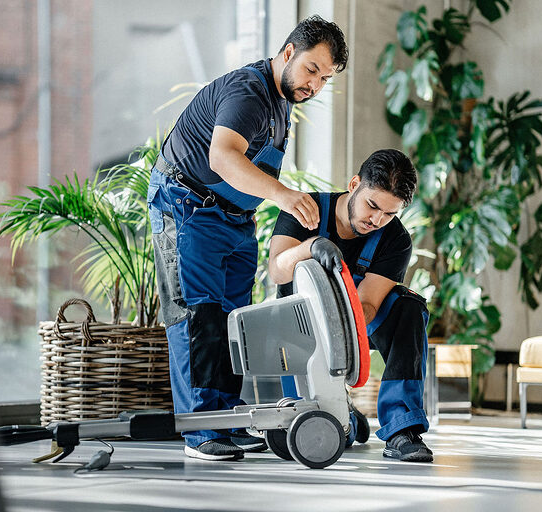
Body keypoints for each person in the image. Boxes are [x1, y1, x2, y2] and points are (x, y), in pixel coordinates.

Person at [147, 15, 349, 461]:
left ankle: (224, 419)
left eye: (325, 78)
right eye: (312, 70)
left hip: (233, 220)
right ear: (289, 52)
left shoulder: (282, 102)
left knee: (232, 318)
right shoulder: (249, 91)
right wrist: (284, 196)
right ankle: (201, 432)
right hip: (186, 207)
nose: (315, 84)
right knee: (196, 316)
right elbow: (222, 157)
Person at [269, 148, 433, 462]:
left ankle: (401, 429)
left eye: (389, 213)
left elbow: (370, 303)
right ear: (354, 183)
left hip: (356, 320)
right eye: (372, 205)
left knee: (409, 308)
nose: (376, 220)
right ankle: (345, 417)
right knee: (319, 433)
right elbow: (277, 270)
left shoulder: (395, 239)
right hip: (299, 320)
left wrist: (341, 338)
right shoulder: (306, 209)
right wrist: (311, 246)